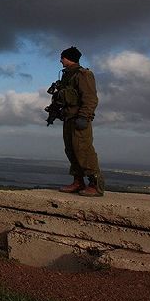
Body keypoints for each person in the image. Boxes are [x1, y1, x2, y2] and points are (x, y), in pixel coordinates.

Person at [57, 46, 105, 197]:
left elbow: (90, 98)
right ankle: (78, 181)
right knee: (71, 150)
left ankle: (95, 185)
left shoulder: (83, 74)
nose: (60, 61)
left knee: (83, 150)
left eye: (62, 58)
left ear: (69, 58)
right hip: (69, 118)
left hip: (79, 119)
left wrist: (84, 117)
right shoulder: (67, 76)